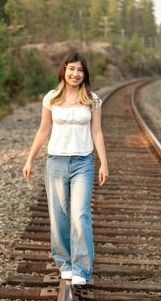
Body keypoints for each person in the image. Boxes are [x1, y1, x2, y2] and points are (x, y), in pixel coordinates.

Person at [23, 52, 108, 285]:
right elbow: (43, 130)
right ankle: (64, 262)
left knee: (80, 215)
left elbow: (97, 131)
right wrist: (30, 159)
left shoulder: (93, 99)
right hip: (56, 162)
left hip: (83, 163)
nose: (75, 74)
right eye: (71, 69)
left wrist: (104, 162)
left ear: (84, 74)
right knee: (59, 216)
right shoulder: (51, 98)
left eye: (80, 70)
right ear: (64, 70)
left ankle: (82, 268)